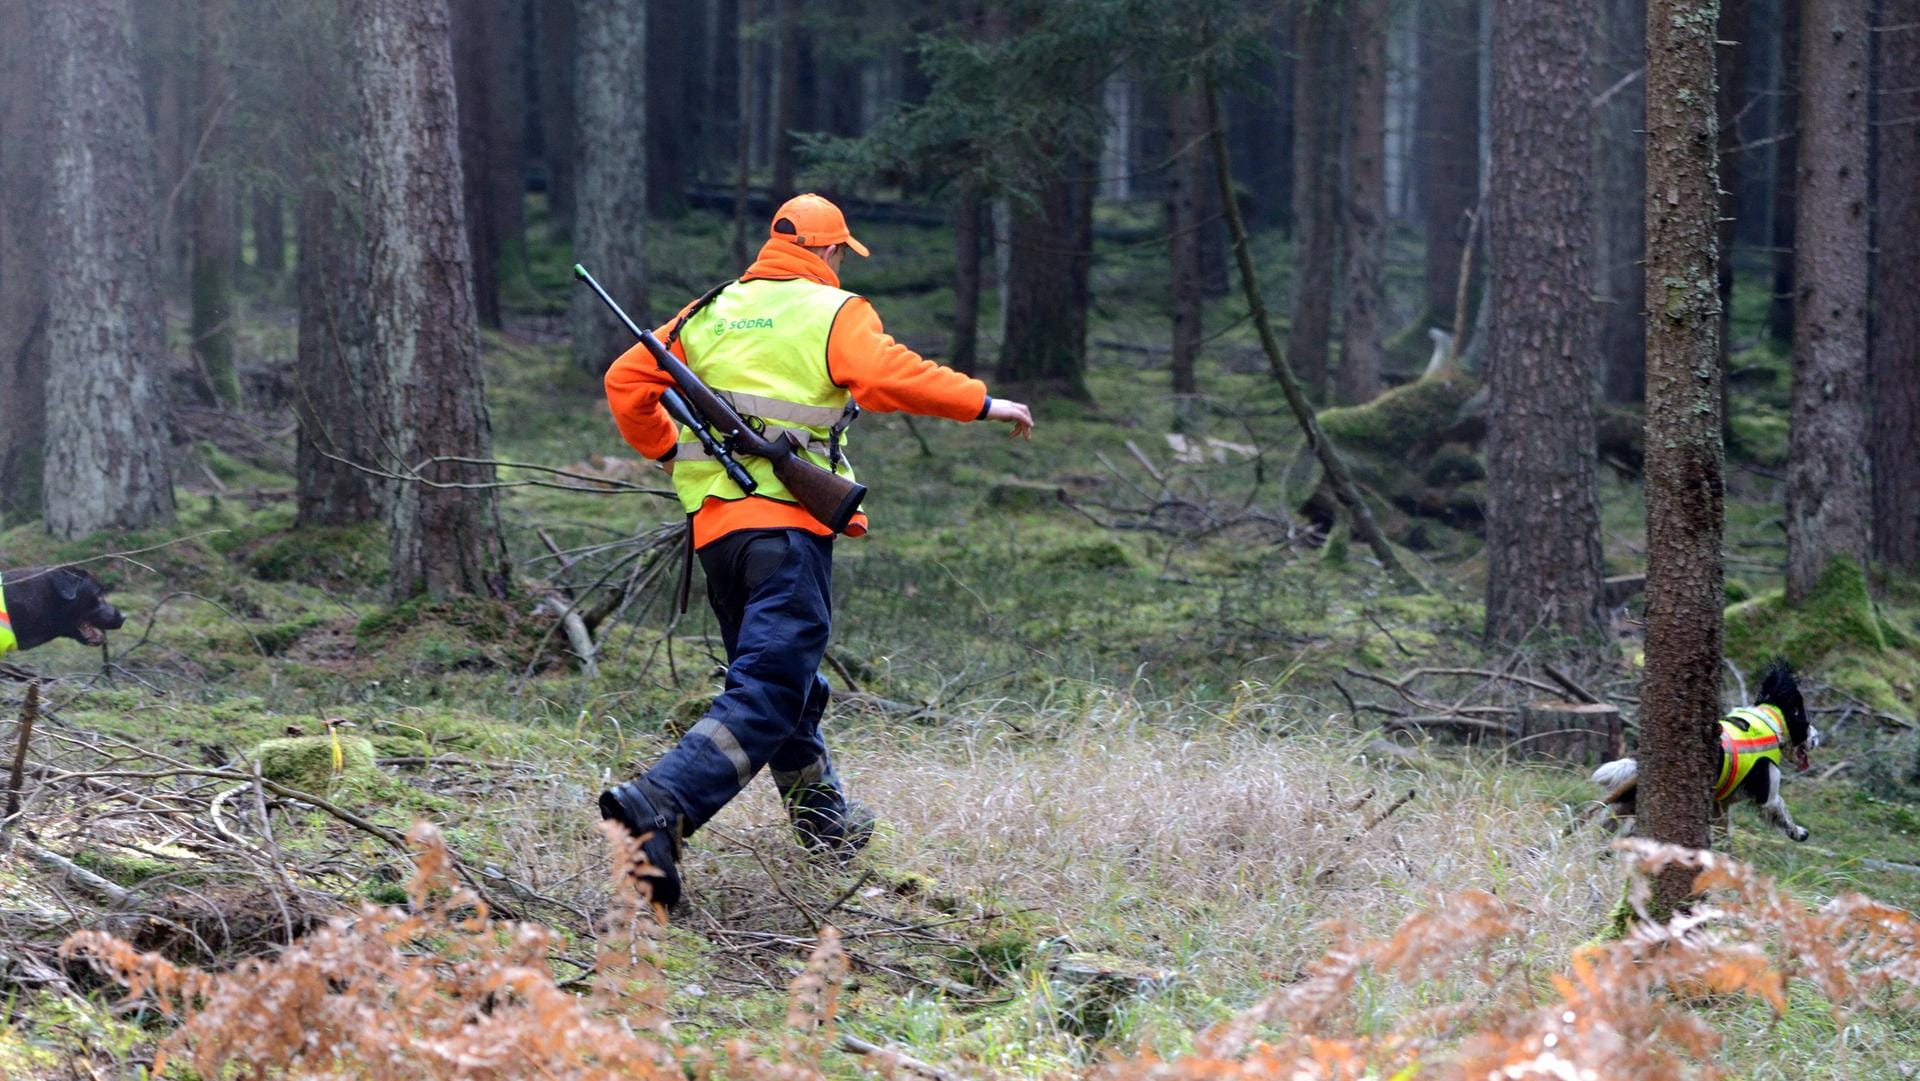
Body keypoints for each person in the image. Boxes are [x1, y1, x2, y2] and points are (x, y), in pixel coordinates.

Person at [599, 193, 1034, 911]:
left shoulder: (709, 310)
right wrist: (984, 403)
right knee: (768, 691)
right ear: (829, 252)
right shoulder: (834, 312)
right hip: (787, 533)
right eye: (839, 253)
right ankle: (658, 803)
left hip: (718, 535)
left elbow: (625, 381)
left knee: (787, 683)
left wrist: (667, 449)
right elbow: (892, 375)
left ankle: (823, 825)